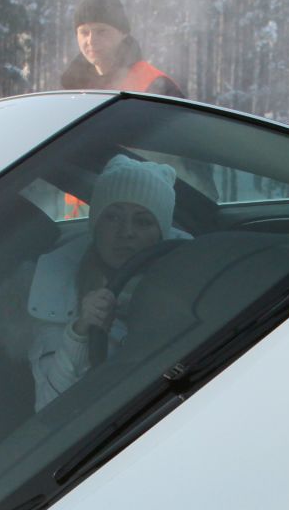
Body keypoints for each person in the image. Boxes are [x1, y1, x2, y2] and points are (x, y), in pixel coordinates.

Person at [27, 156, 177, 410]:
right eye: (113, 218)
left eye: (142, 221)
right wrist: (79, 334)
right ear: (96, 226)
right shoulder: (58, 294)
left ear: (162, 234)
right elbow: (51, 409)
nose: (126, 232)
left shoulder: (188, 280)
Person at [61, 0, 184, 97]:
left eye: (101, 31)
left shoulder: (155, 85)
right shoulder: (70, 90)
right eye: (84, 32)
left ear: (123, 33)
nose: (91, 40)